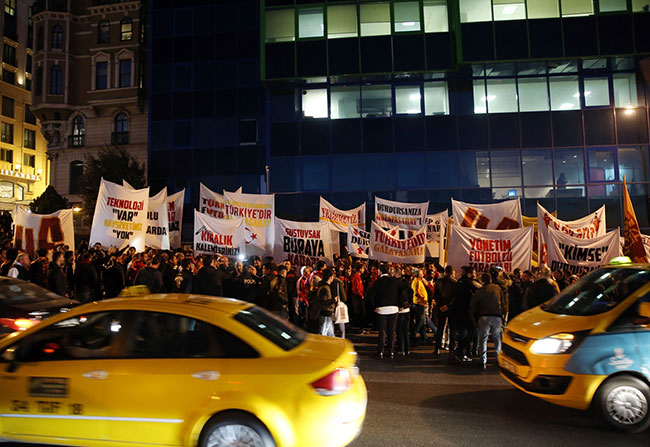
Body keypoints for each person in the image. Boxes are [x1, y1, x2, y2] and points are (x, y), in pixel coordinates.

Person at [470, 273, 506, 369]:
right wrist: (502, 312)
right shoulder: (498, 288)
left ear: (482, 280)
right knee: (497, 338)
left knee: (483, 339)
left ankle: (483, 360)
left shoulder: (481, 290)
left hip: (484, 316)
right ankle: (498, 358)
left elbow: (473, 303)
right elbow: (503, 302)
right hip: (496, 316)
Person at [367, 264, 400, 359]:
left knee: (382, 331)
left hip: (381, 309)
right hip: (394, 308)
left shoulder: (377, 282)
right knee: (392, 331)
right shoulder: (395, 281)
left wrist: (373, 306)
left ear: (380, 271)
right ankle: (391, 352)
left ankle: (380, 351)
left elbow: (371, 295)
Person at [449, 266, 479, 363]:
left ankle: (461, 351)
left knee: (463, 332)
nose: (474, 275)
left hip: (458, 311)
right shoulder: (469, 284)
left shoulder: (459, 282)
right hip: (466, 311)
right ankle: (461, 351)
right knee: (471, 331)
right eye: (473, 273)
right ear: (469, 274)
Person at [434, 265, 456, 356]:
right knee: (452, 329)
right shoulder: (454, 283)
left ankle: (437, 348)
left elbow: (436, 295)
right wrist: (448, 305)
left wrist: (441, 305)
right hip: (451, 308)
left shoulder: (439, 281)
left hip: (441, 307)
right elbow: (455, 296)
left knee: (440, 328)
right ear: (452, 273)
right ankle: (451, 348)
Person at [410, 268, 429, 345]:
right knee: (420, 320)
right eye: (421, 273)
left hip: (420, 303)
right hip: (419, 303)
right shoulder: (417, 281)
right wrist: (423, 298)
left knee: (422, 320)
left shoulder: (419, 280)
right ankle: (413, 334)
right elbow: (417, 292)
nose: (423, 274)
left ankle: (423, 336)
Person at [317, 268, 337, 337]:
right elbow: (323, 302)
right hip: (325, 313)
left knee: (330, 334)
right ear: (330, 277)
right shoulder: (325, 288)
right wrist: (333, 300)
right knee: (323, 333)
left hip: (327, 314)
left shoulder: (324, 286)